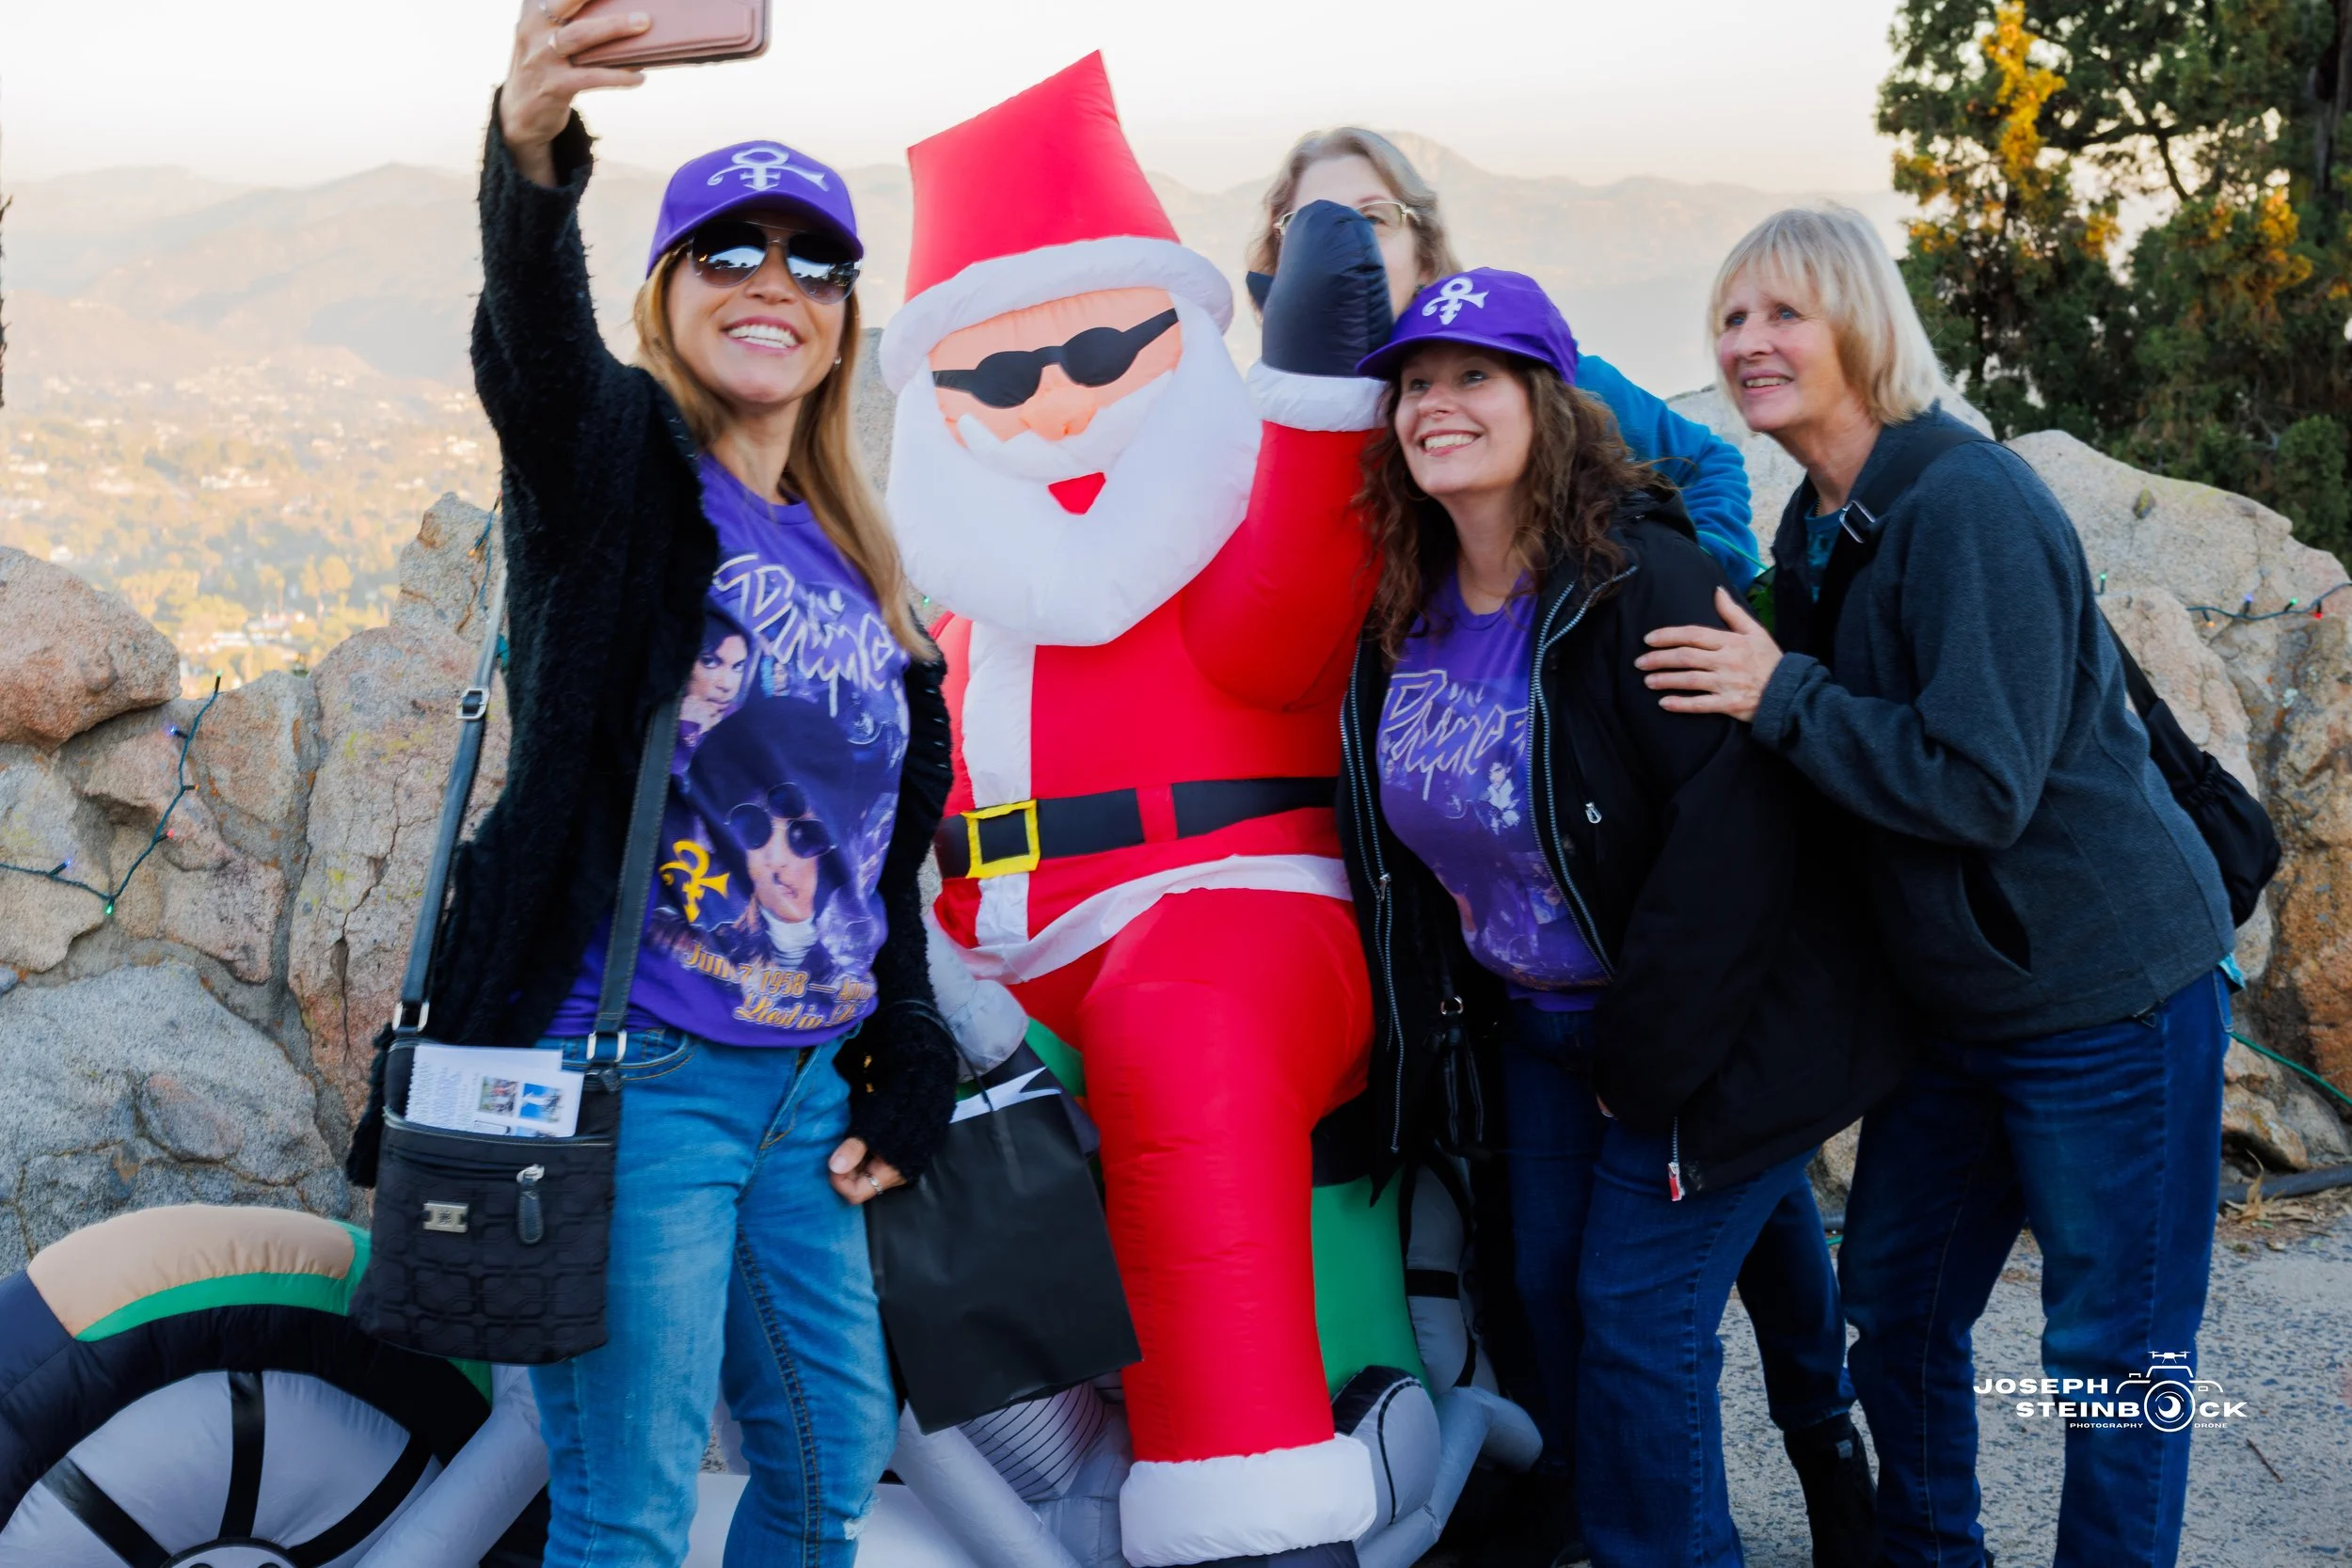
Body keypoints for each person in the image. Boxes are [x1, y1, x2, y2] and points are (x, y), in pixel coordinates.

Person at [1255, 132, 1876, 1565]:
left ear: (1548, 401)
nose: (1438, 406)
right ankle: (1610, 1535)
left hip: (1682, 1042)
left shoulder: (1642, 584)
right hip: (1535, 1035)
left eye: (1473, 379)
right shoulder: (1401, 614)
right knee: (1539, 1295)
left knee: (1634, 1330)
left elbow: (1736, 857)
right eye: (1415, 386)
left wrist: (1649, 1077)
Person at [432, 3, 960, 1561]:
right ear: (669, 293)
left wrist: (905, 1036)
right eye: (728, 251)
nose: (773, 283)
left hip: (805, 1094)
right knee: (631, 1505)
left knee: (822, 1462)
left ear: (848, 316)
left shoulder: (861, 559)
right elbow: (531, 349)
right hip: (638, 1075)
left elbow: (872, 845)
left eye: (814, 259)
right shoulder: (626, 478)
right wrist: (529, 154)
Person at [1639, 204, 2234, 1568]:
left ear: (1860, 322)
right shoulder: (1821, 523)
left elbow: (1981, 782)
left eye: (1782, 312)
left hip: (2107, 993)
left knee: (2114, 1348)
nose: (1748, 343)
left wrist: (1780, 692)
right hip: (1957, 1009)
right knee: (1897, 1300)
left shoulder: (1966, 501)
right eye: (1731, 319)